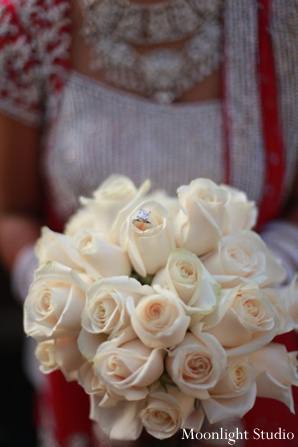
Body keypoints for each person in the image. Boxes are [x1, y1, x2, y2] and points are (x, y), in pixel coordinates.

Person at [0, 0, 298, 446]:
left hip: (252, 370)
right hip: (91, 380)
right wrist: (65, 300)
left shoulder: (284, 19)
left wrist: (268, 267)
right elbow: (12, 212)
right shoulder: (27, 24)